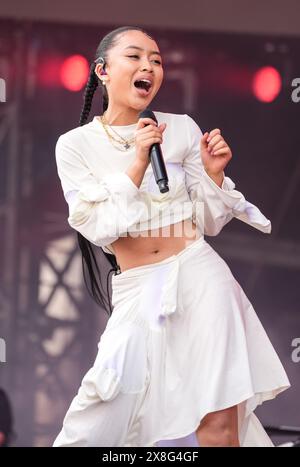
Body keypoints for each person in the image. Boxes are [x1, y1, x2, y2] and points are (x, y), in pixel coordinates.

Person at [52, 26, 290, 447]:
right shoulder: (75, 146)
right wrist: (138, 162)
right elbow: (98, 226)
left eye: (157, 60)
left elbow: (210, 221)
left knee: (217, 423)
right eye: (135, 57)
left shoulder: (179, 128)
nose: (149, 66)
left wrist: (214, 175)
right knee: (92, 422)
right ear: (103, 71)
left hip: (200, 274)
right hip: (139, 288)